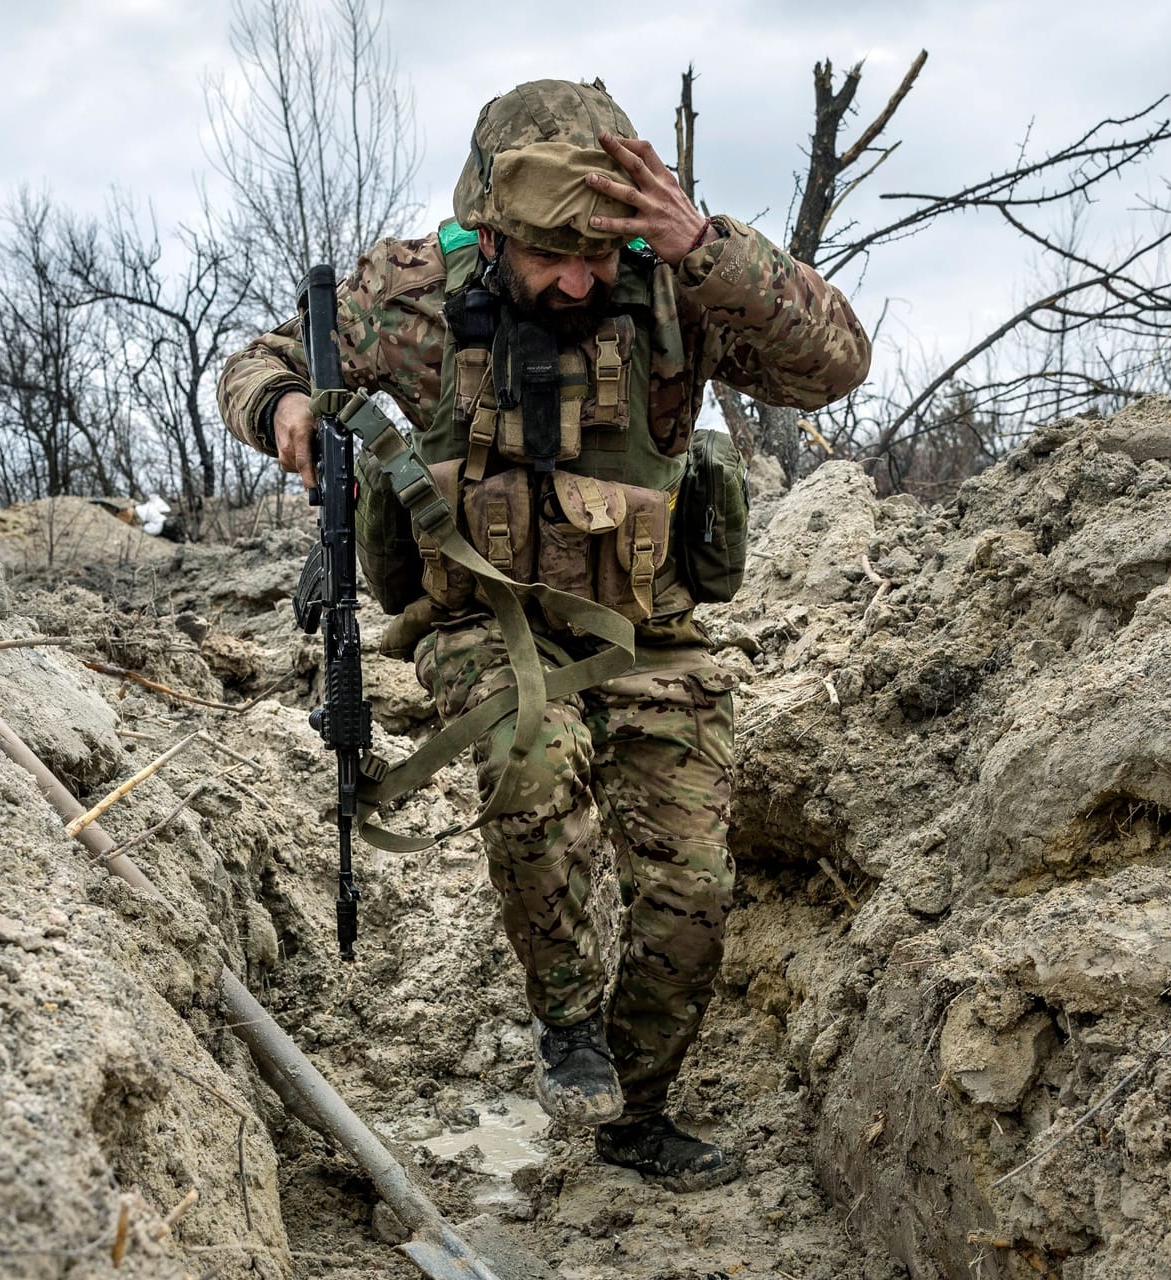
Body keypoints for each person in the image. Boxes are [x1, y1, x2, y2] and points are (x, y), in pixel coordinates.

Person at [218, 78, 870, 1190]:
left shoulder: (676, 282)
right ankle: (566, 1020)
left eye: (599, 253)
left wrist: (707, 245)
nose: (581, 278)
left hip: (647, 634)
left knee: (693, 885)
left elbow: (834, 362)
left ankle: (639, 1102)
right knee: (532, 749)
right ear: (496, 229)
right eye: (553, 255)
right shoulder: (416, 298)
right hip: (482, 618)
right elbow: (255, 361)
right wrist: (279, 402)